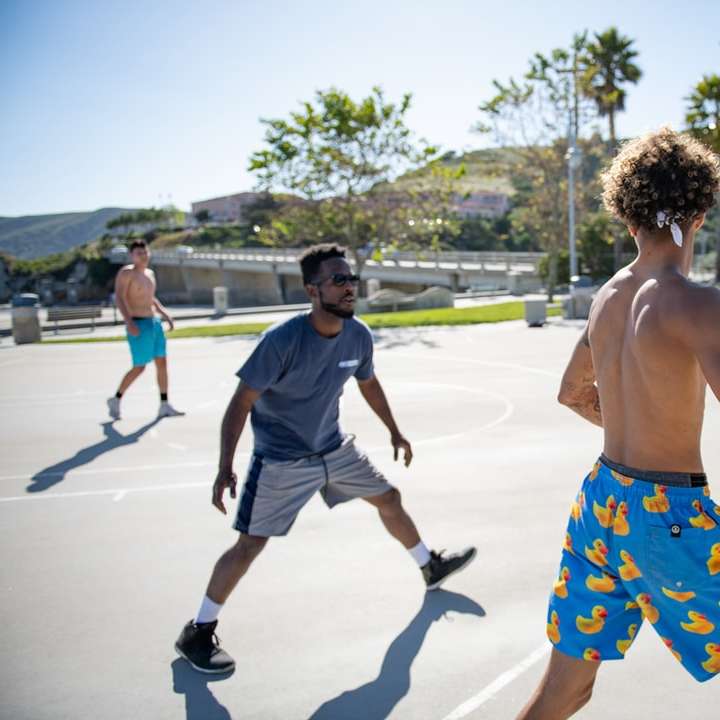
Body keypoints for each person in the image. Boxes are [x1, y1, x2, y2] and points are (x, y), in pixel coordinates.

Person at [175, 243, 476, 673]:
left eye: (350, 278)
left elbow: (368, 384)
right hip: (281, 460)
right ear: (312, 291)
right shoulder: (281, 342)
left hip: (334, 448)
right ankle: (198, 631)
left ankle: (429, 566)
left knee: (389, 498)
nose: (349, 286)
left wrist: (394, 430)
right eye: (338, 280)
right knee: (250, 545)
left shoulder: (358, 335)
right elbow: (241, 402)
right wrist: (226, 466)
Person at [517, 127, 720, 720]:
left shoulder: (606, 296)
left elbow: (572, 393)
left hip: (602, 501)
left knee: (567, 688)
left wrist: (637, 422)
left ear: (628, 215)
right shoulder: (696, 303)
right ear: (701, 212)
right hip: (670, 514)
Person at [107, 240, 184, 420]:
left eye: (145, 252)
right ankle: (116, 399)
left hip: (153, 323)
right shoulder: (127, 273)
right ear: (132, 256)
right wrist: (129, 322)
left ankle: (164, 404)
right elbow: (120, 297)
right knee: (140, 367)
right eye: (138, 253)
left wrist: (165, 314)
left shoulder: (150, 274)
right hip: (137, 323)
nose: (143, 255)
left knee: (162, 363)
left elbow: (151, 298)